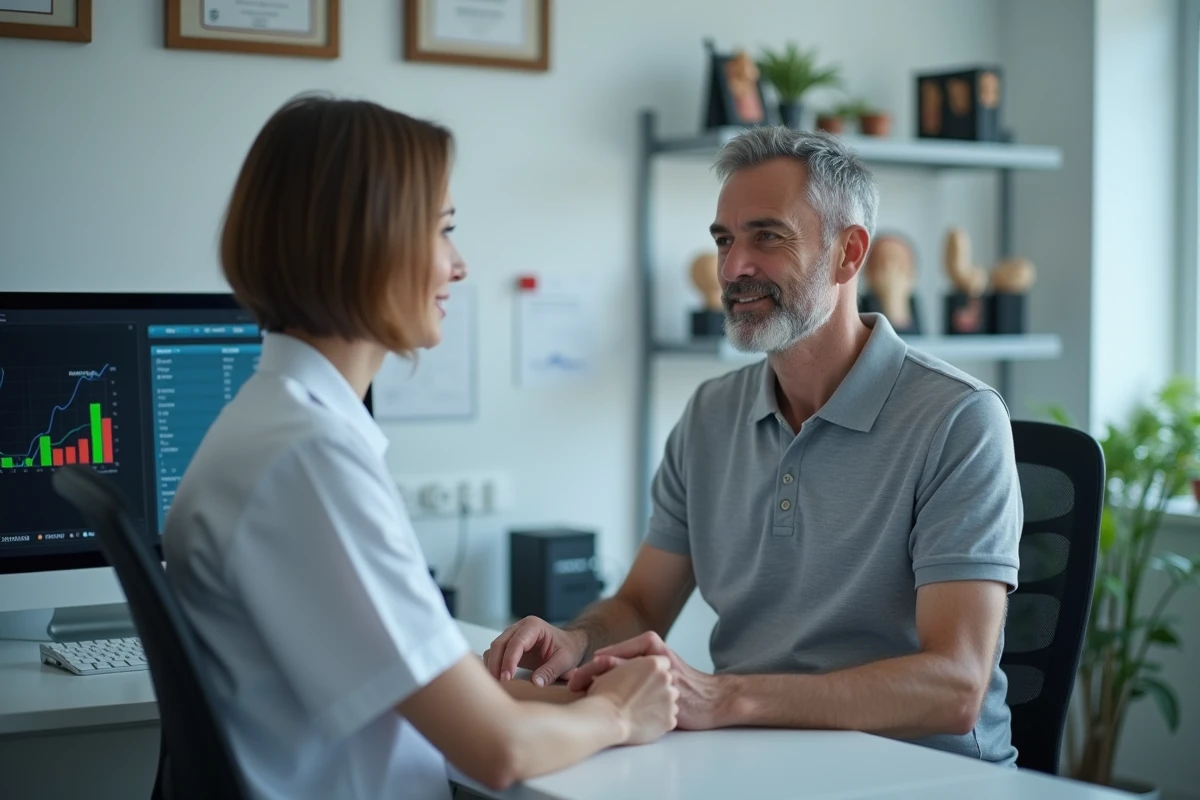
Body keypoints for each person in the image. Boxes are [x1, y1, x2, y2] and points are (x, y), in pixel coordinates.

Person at [162, 95, 678, 800]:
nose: (459, 266)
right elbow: (497, 750)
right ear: (368, 240)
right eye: (444, 231)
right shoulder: (307, 459)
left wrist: (587, 697)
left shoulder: (276, 427)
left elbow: (449, 698)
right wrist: (617, 715)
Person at [486, 126, 1022, 766]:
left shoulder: (958, 420)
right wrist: (575, 639)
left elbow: (955, 686)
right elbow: (640, 603)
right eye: (724, 239)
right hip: (755, 754)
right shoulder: (712, 413)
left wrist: (723, 697)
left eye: (767, 236)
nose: (734, 267)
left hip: (921, 774)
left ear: (849, 254)